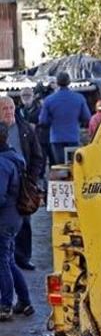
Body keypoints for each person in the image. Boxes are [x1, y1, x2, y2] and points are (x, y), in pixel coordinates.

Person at [0, 96, 43, 272]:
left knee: (25, 221)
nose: (9, 112)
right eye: (4, 109)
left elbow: (38, 156)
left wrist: (32, 179)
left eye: (10, 108)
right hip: (4, 182)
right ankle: (7, 257)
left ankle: (23, 257)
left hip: (22, 183)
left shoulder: (25, 128)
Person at [0, 122, 30, 321]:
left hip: (3, 220)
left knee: (2, 261)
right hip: (16, 217)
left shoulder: (2, 163)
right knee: (9, 260)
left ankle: (5, 305)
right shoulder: (16, 157)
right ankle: (25, 302)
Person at [38, 72, 90, 166]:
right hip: (73, 137)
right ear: (69, 82)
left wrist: (52, 120)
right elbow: (86, 117)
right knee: (74, 166)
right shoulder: (79, 98)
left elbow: (42, 121)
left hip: (56, 138)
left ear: (57, 83)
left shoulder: (49, 100)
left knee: (60, 167)